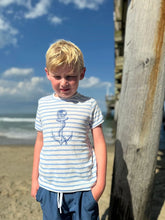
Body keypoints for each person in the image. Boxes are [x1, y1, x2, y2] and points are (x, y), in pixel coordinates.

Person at [31, 39, 107, 220]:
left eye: (70, 76)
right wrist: (35, 180)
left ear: (82, 74)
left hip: (83, 189)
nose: (64, 83)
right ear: (47, 74)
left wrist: (100, 185)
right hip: (49, 188)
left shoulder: (89, 105)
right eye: (57, 77)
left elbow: (99, 143)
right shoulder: (43, 104)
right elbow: (40, 142)